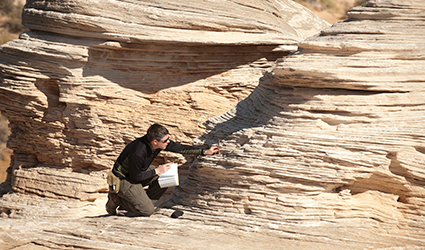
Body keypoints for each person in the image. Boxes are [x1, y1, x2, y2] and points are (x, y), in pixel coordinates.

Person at [106, 123, 219, 216]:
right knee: (147, 211)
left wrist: (204, 151)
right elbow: (135, 177)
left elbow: (179, 148)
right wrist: (156, 171)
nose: (168, 142)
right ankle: (116, 199)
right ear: (155, 141)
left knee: (168, 176)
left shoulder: (158, 144)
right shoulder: (138, 152)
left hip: (138, 173)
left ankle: (142, 201)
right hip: (124, 179)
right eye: (165, 140)